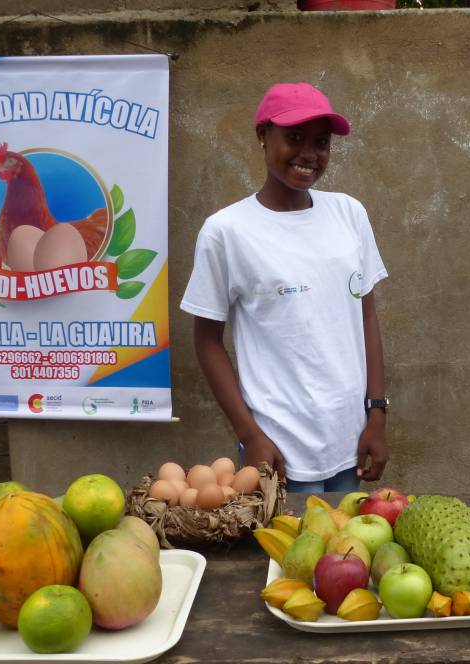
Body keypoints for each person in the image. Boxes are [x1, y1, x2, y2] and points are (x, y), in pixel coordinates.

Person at [180, 82, 389, 494]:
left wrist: (377, 414)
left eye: (321, 143)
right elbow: (207, 341)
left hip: (350, 439)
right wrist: (249, 433)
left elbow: (365, 314)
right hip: (277, 448)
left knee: (344, 552)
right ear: (263, 136)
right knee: (287, 557)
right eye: (294, 138)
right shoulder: (227, 231)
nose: (309, 154)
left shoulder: (348, 213)